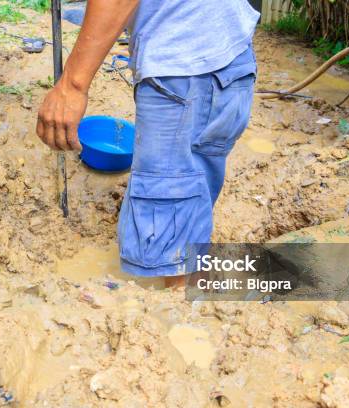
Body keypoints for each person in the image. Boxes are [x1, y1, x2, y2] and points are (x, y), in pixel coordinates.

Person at [36, 0, 260, 287]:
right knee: (188, 217)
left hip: (183, 69)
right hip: (226, 58)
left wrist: (72, 85)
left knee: (173, 252)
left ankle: (177, 320)